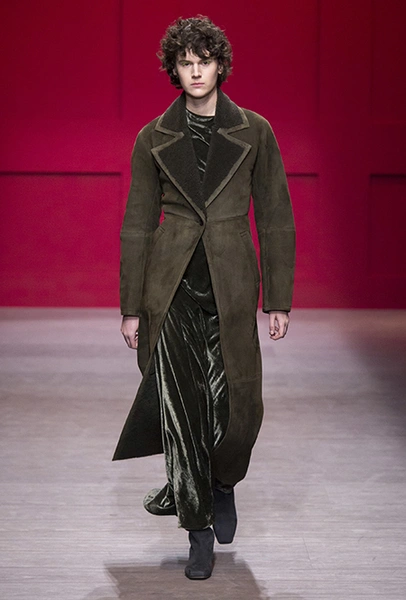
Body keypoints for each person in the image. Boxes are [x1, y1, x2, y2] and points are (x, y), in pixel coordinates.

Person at [113, 16, 295, 580]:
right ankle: (197, 531)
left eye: (204, 61)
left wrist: (279, 299)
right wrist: (131, 307)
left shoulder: (254, 131)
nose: (195, 72)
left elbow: (275, 217)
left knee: (239, 409)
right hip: (169, 289)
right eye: (185, 63)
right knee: (183, 414)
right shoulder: (153, 137)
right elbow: (137, 224)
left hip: (231, 283)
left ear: (220, 65)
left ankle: (222, 481)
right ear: (175, 69)